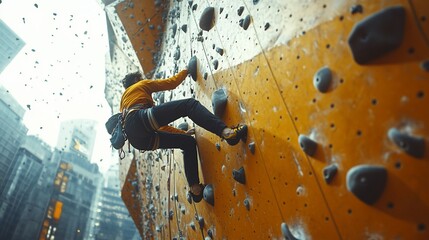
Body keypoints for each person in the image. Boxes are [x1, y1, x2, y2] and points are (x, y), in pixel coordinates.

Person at [119, 68, 247, 202]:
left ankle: (195, 189)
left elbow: (159, 126)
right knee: (189, 105)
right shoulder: (139, 85)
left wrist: (183, 133)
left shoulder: (124, 103)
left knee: (188, 143)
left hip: (139, 141)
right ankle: (227, 132)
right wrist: (186, 71)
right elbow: (171, 83)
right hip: (139, 120)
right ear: (135, 80)